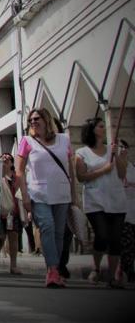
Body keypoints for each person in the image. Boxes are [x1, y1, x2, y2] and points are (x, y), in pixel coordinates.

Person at [15, 108, 77, 288]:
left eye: (37, 118)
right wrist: (25, 197)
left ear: (46, 119)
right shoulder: (26, 141)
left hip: (61, 193)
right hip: (38, 194)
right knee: (47, 227)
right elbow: (19, 172)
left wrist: (74, 196)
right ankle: (52, 270)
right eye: (31, 119)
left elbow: (70, 170)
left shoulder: (64, 140)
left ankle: (55, 268)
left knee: (59, 233)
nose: (33, 122)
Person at [75, 118, 127, 288]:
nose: (104, 129)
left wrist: (119, 155)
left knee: (115, 239)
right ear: (92, 129)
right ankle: (96, 267)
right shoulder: (82, 153)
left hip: (116, 199)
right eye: (100, 126)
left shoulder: (113, 150)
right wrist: (102, 171)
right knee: (102, 235)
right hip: (95, 200)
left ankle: (112, 276)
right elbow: (81, 177)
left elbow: (121, 173)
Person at [0, 153, 22, 275]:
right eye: (2, 158)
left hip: (13, 211)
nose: (5, 159)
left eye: (8, 158)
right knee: (0, 238)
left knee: (13, 238)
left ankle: (13, 265)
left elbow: (21, 192)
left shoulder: (16, 177)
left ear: (12, 163)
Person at [119, 140, 135, 284]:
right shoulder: (113, 167)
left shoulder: (132, 167)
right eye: (119, 147)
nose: (122, 149)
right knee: (127, 243)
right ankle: (127, 270)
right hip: (121, 212)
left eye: (124, 146)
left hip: (133, 209)